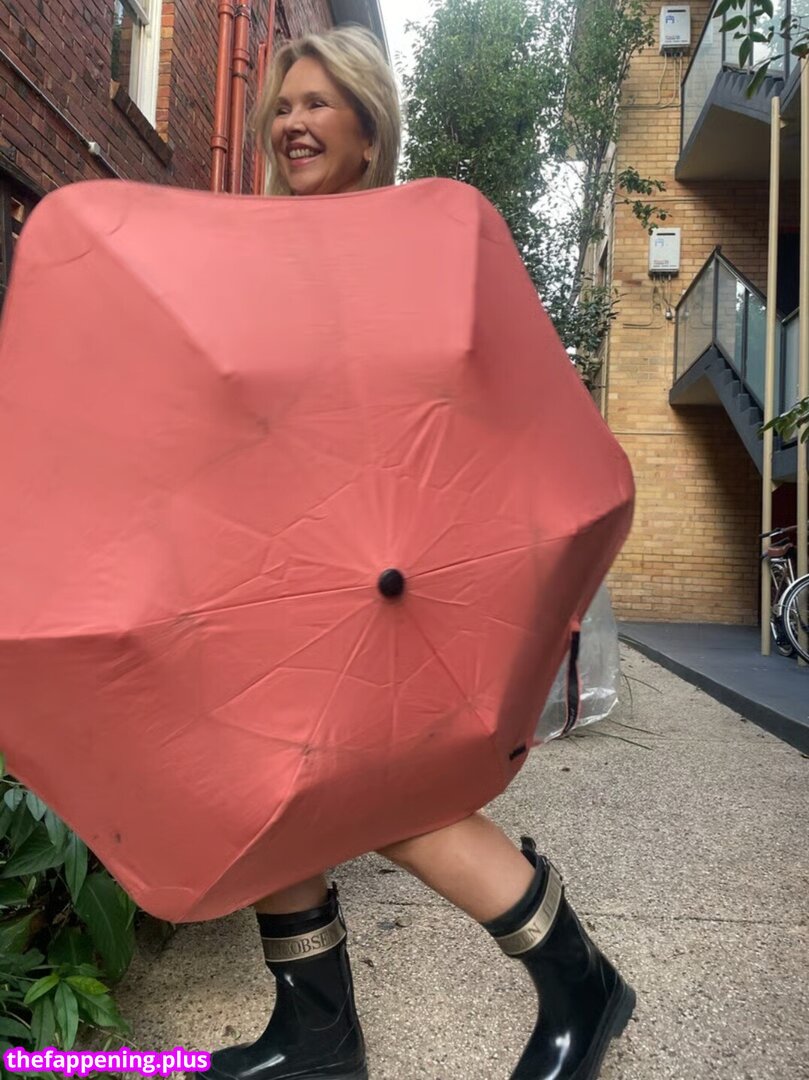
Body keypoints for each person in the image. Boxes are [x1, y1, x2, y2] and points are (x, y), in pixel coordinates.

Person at [197, 26, 635, 1080]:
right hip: (280, 566)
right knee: (266, 783)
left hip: (383, 572)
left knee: (395, 799)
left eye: (317, 104)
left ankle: (580, 986)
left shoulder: (407, 248)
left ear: (368, 128)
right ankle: (315, 1032)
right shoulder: (259, 252)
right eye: (281, 108)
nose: (293, 123)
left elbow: (466, 408)